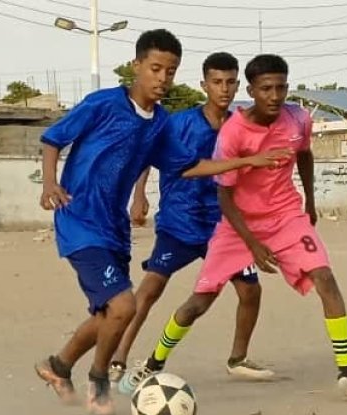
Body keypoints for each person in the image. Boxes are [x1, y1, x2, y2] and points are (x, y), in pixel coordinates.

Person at [33, 30, 288, 415]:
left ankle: (59, 365)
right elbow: (53, 138)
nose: (162, 78)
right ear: (137, 66)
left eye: (170, 71)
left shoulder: (161, 123)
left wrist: (245, 162)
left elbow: (188, 167)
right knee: (123, 305)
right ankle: (100, 377)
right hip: (80, 219)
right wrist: (51, 182)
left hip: (114, 227)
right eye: (155, 68)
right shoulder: (103, 104)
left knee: (108, 312)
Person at [120, 54, 347, 401]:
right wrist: (252, 244)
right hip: (233, 224)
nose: (275, 95)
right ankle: (151, 364)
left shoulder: (298, 119)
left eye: (281, 87)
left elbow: (303, 153)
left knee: (325, 278)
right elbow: (225, 194)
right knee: (198, 302)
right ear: (253, 91)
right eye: (267, 89)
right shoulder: (232, 132)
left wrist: (310, 202)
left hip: (286, 217)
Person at [110, 52, 271, 388]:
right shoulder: (178, 122)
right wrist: (138, 196)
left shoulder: (240, 125)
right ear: (204, 85)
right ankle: (118, 358)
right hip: (179, 221)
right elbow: (147, 156)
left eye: (229, 82)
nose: (223, 89)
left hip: (223, 224)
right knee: (151, 288)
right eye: (216, 82)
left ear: (238, 85)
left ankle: (238, 359)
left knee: (250, 291)